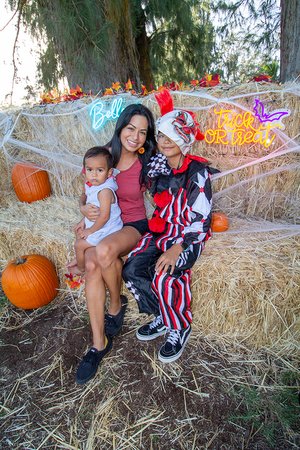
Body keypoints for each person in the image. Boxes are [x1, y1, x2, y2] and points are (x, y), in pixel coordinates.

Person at [123, 89, 218, 363]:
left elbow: (201, 221)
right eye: (161, 135)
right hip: (163, 229)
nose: (164, 141)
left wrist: (178, 248)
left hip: (188, 235)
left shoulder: (197, 173)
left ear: (184, 139)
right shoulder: (157, 165)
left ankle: (179, 325)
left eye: (171, 136)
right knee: (132, 268)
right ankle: (162, 316)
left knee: (165, 274)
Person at [75, 103, 156, 384]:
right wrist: (83, 207)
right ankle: (99, 343)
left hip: (132, 225)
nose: (136, 136)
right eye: (131, 128)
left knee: (103, 251)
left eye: (143, 132)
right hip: (105, 226)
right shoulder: (104, 156)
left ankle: (115, 307)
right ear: (121, 127)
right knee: (92, 262)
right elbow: (86, 189)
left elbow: (169, 189)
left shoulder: (147, 161)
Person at [68, 146, 123, 275]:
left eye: (99, 170)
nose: (93, 174)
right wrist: (84, 220)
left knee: (78, 245)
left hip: (108, 230)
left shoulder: (105, 191)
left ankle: (82, 269)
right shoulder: (93, 184)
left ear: (109, 173)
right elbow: (91, 203)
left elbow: (104, 216)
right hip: (101, 225)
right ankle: (82, 256)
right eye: (90, 170)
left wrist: (90, 231)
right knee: (78, 231)